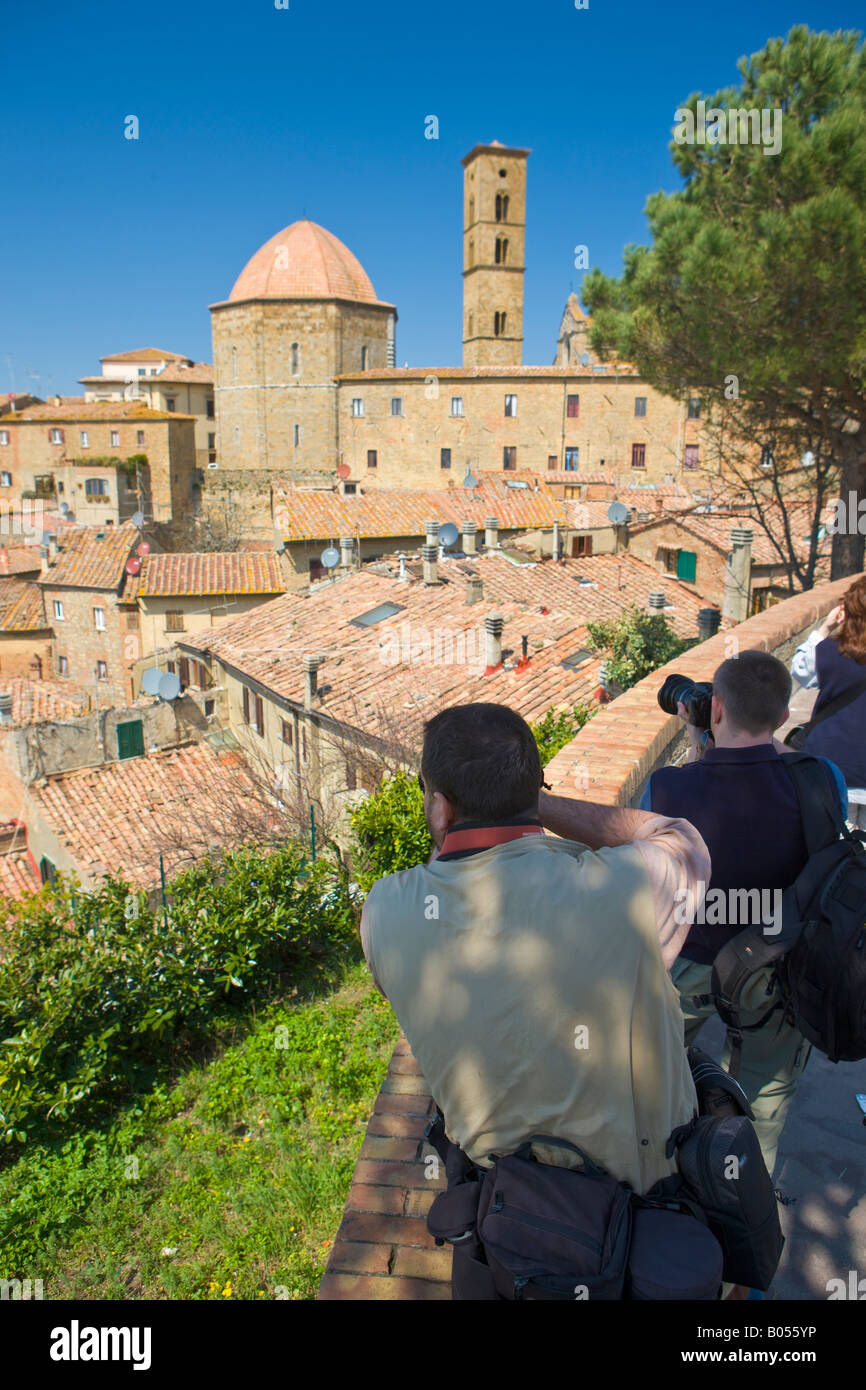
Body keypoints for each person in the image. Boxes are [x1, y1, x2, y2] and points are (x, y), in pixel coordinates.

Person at [361, 701, 711, 1206]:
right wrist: (538, 804)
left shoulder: (385, 912)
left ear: (439, 808)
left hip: (507, 1221)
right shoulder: (622, 884)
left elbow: (445, 889)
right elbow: (676, 838)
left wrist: (461, 824)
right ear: (532, 788)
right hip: (649, 1209)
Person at [639, 650, 848, 1182]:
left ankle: (656, 1188)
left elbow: (649, 864)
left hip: (685, 967)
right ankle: (742, 1219)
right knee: (764, 1108)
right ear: (783, 718)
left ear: (715, 710)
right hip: (780, 970)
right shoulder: (822, 780)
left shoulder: (668, 787)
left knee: (650, 1079)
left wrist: (696, 746)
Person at [791, 577, 866, 830]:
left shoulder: (828, 651)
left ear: (846, 612)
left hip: (831, 766)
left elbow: (801, 671)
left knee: (833, 852)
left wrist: (824, 628)